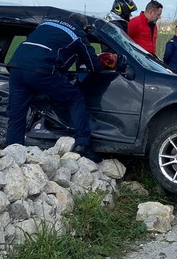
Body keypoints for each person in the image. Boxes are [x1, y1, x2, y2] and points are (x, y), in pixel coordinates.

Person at [6, 13, 117, 163]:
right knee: (75, 99)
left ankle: (12, 156)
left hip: (16, 67)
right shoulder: (76, 33)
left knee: (17, 115)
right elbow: (93, 65)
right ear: (83, 26)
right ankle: (83, 145)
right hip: (42, 70)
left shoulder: (46, 23)